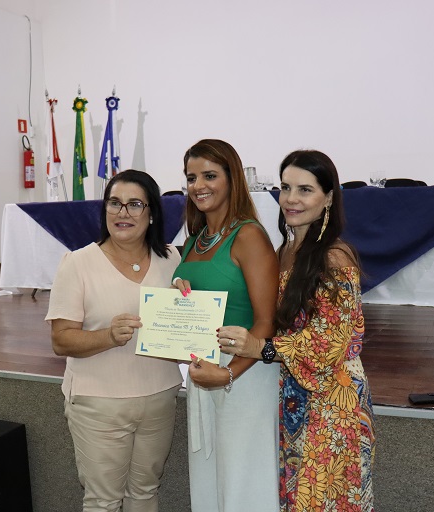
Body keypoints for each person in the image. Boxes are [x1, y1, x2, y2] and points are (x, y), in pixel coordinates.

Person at [217, 150, 376, 512]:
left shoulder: (334, 257)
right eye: (286, 187)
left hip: (333, 403)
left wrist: (260, 347)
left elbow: (328, 343)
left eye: (305, 190)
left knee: (324, 502)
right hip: (295, 396)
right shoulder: (285, 250)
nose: (291, 198)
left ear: (328, 198)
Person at [45, 169, 183, 512]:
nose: (123, 212)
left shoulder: (171, 259)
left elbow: (180, 332)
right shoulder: (77, 263)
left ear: (152, 213)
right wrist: (108, 335)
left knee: (146, 491)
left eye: (135, 204)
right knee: (103, 502)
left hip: (159, 395)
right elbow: (61, 340)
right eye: (114, 203)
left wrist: (186, 305)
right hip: (99, 402)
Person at [172, 139, 280, 512]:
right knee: (208, 479)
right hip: (204, 370)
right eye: (191, 178)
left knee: (244, 483)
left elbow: (267, 322)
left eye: (209, 175)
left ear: (232, 178)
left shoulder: (249, 235)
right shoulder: (194, 239)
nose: (198, 185)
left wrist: (229, 373)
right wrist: (178, 295)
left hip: (244, 375)